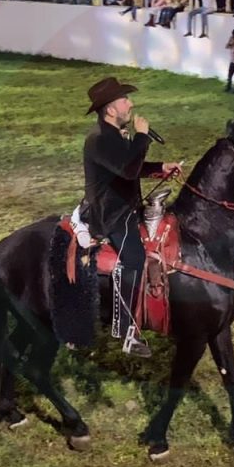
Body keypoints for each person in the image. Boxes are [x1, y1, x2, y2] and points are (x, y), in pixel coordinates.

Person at [82, 77, 182, 358]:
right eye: (125, 100)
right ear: (110, 110)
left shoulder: (114, 135)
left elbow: (132, 166)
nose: (131, 104)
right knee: (135, 258)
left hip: (125, 208)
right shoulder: (99, 140)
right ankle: (127, 331)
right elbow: (128, 170)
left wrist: (161, 167)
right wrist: (142, 136)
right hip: (112, 215)